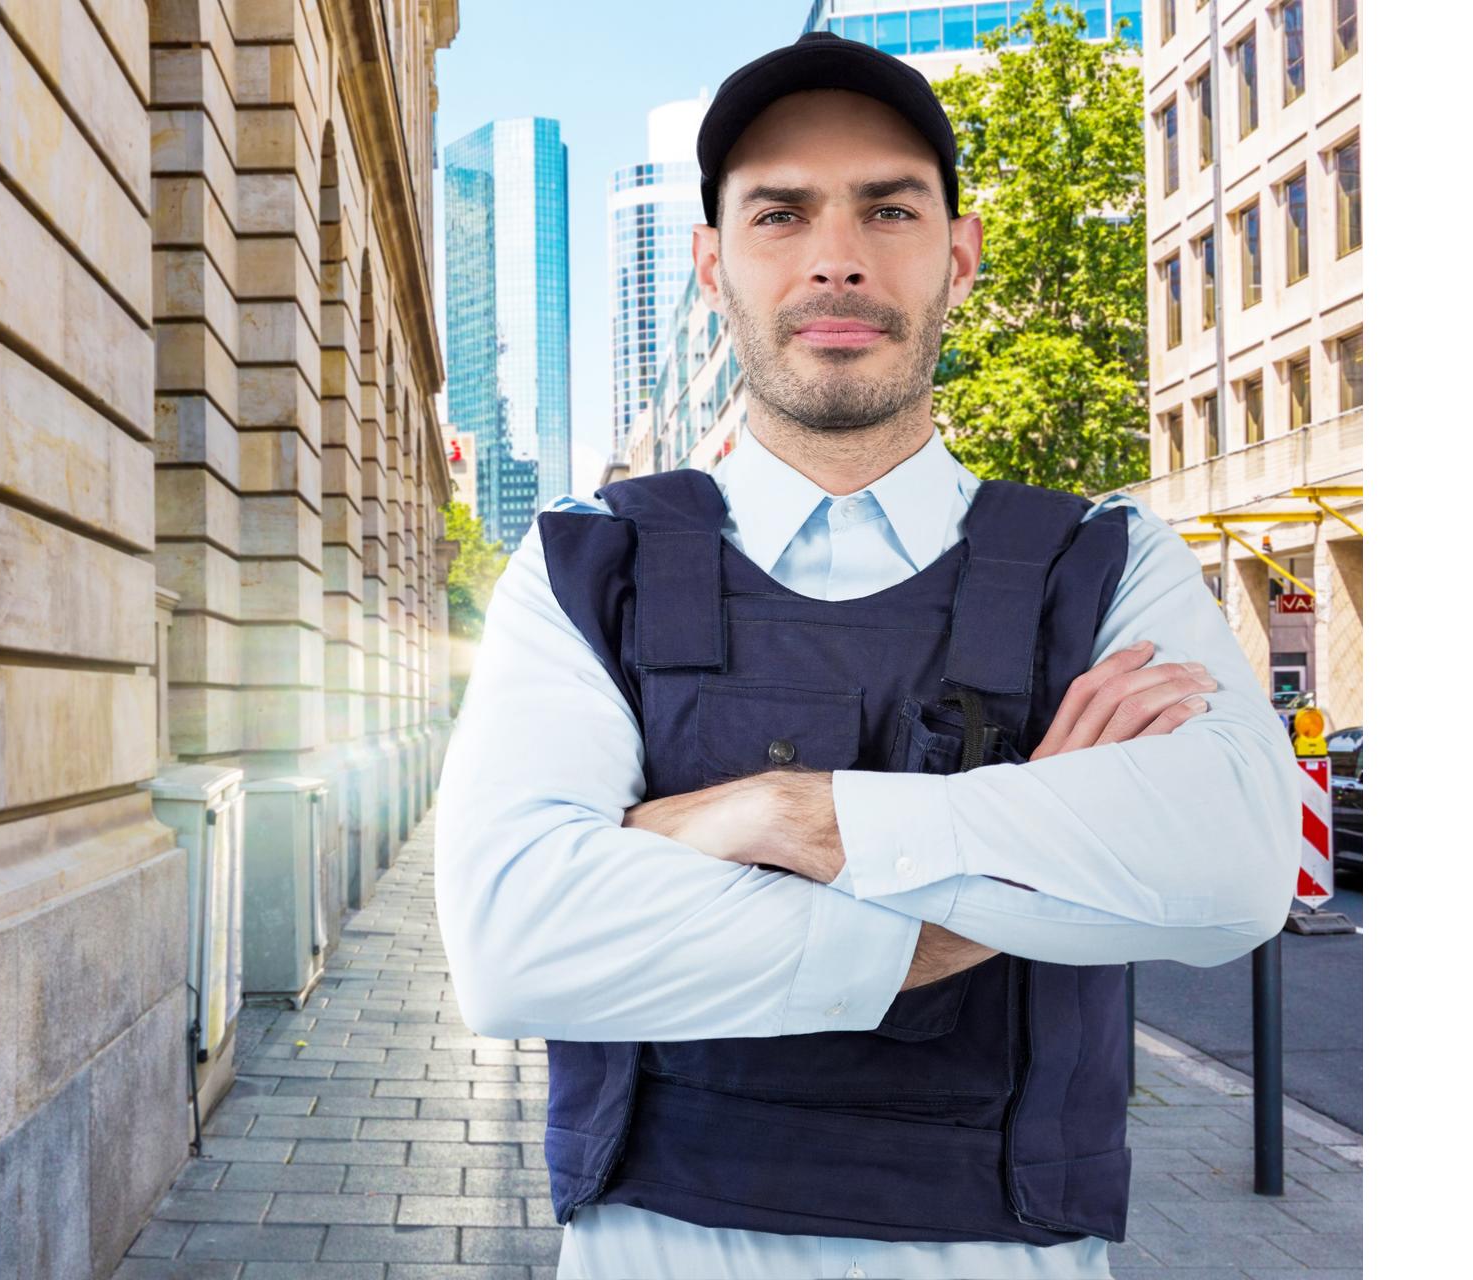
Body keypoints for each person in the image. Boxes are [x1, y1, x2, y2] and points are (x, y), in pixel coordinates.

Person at [434, 30, 1301, 1280]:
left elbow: (1235, 869)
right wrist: (1020, 861)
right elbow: (513, 947)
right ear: (712, 264)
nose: (835, 255)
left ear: (958, 253)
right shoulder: (586, 565)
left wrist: (769, 811)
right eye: (780, 212)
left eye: (887, 208)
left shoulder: (1110, 562)